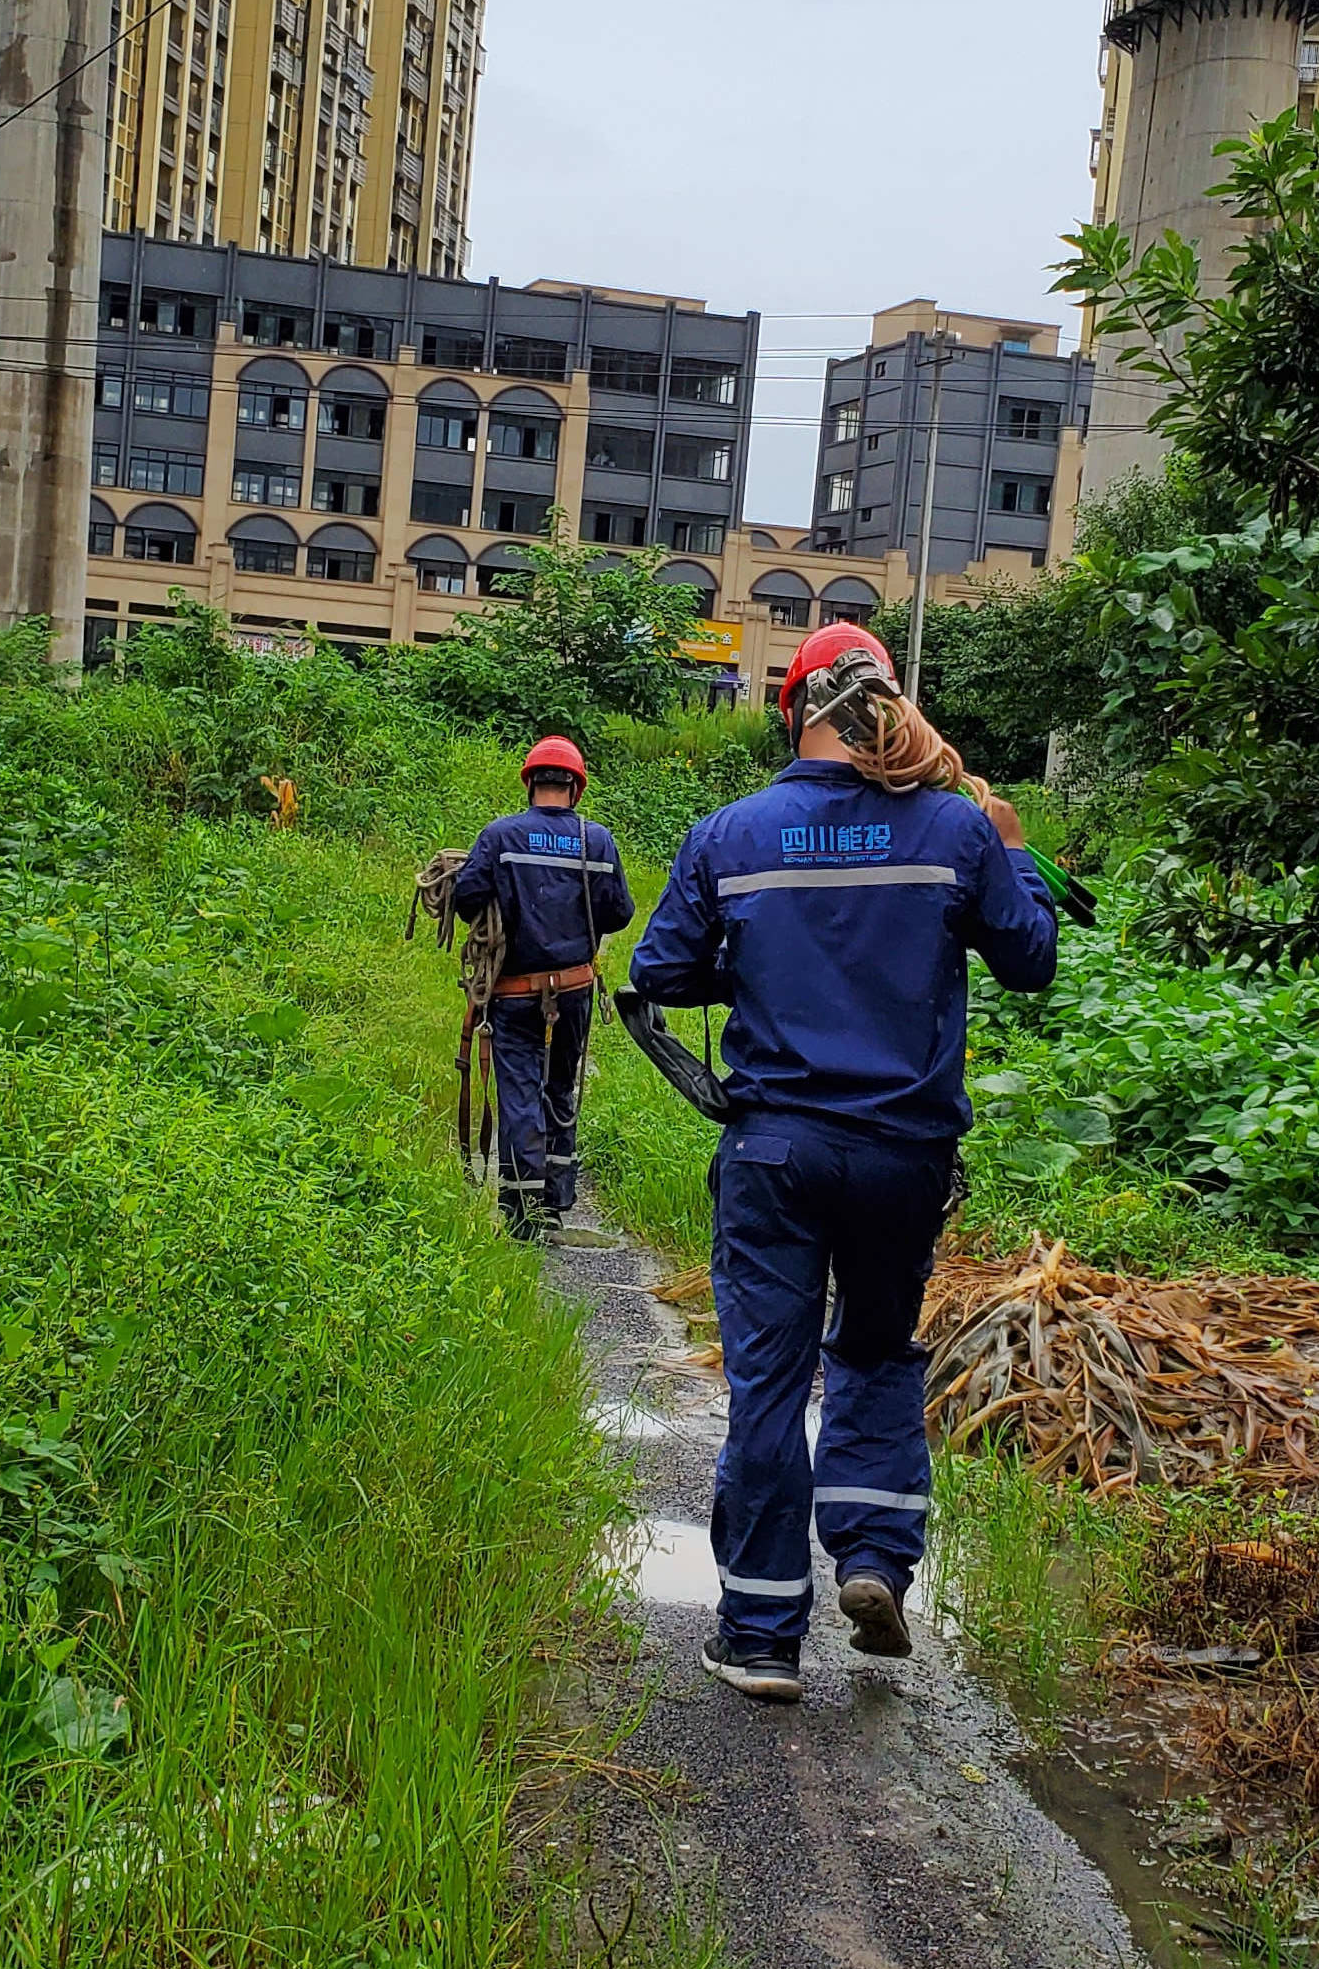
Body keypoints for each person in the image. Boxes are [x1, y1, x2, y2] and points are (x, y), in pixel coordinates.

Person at [627, 624, 1059, 1703]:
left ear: (793, 711)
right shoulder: (957, 829)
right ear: (890, 702)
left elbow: (662, 971)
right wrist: (1007, 848)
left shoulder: (730, 833)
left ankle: (763, 1634)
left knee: (769, 1379)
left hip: (775, 1147)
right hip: (903, 1154)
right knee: (873, 1348)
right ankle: (871, 1557)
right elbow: (1030, 960)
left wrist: (768, 964)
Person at [451, 735, 637, 1238]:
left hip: (514, 992)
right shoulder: (596, 841)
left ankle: (521, 1211)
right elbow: (620, 913)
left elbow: (467, 900)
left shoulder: (500, 835)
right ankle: (555, 1199)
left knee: (519, 1092)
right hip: (574, 991)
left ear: (530, 782)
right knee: (560, 1087)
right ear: (575, 788)